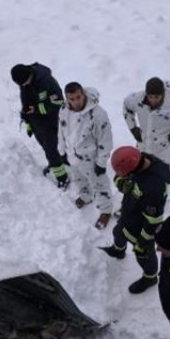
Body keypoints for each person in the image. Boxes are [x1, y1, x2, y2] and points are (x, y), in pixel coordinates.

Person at [99, 146, 170, 294]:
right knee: (118, 232)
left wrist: (142, 242)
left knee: (144, 255)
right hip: (129, 215)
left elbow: (154, 221)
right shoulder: (140, 159)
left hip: (142, 227)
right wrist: (121, 183)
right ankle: (119, 251)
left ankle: (150, 277)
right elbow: (120, 175)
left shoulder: (154, 187)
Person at [58, 82, 114, 229]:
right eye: (71, 99)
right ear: (66, 98)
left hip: (91, 159)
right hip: (72, 155)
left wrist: (101, 163)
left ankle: (106, 209)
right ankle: (85, 195)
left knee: (99, 184)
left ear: (83, 94)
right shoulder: (63, 109)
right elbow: (61, 130)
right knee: (78, 179)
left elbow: (106, 140)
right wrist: (62, 150)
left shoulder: (97, 115)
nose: (76, 102)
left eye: (78, 97)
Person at [12, 63, 69, 189]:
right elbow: (25, 101)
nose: (23, 86)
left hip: (51, 120)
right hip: (37, 121)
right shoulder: (24, 82)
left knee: (51, 149)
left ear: (29, 75)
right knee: (45, 146)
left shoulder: (46, 81)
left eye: (24, 83)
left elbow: (59, 102)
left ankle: (62, 178)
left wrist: (37, 109)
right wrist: (26, 119)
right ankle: (58, 162)